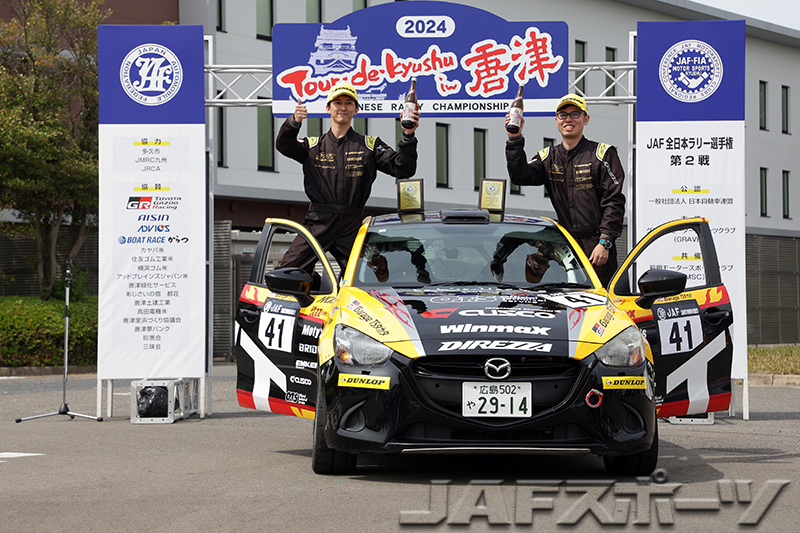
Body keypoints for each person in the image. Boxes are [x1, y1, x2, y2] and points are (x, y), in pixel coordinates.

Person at [275, 82, 420, 275]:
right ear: (328, 108)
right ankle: (315, 283)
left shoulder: (370, 145)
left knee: (372, 278)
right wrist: (293, 122)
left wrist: (408, 135)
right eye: (338, 102)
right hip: (318, 223)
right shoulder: (312, 145)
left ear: (356, 110)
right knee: (286, 273)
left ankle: (375, 262)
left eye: (349, 103)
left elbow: (403, 168)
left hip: (351, 227)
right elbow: (283, 145)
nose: (343, 107)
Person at [504, 93, 625, 287]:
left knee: (602, 297)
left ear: (586, 119)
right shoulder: (548, 156)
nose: (568, 119)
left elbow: (614, 201)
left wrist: (605, 241)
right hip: (565, 245)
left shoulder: (602, 154)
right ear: (556, 121)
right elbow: (521, 176)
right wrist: (514, 139)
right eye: (563, 115)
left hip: (597, 246)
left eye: (575, 114)